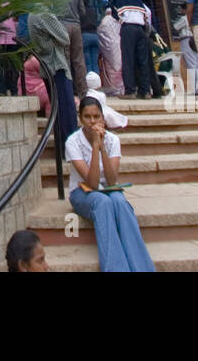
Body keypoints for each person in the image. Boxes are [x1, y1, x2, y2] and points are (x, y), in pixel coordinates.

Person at [64, 97, 155, 272]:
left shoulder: (113, 140)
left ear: (103, 118)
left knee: (120, 202)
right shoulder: (72, 142)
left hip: (108, 188)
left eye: (96, 116)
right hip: (82, 192)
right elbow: (91, 183)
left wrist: (103, 147)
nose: (92, 122)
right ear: (80, 118)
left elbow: (112, 180)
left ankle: (142, 268)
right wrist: (95, 147)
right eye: (87, 117)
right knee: (103, 203)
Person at [28, 11, 76, 147]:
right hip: (56, 66)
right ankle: (70, 149)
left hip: (46, 67)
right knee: (66, 110)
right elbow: (65, 38)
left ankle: (63, 146)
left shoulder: (31, 14)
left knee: (59, 110)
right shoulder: (45, 14)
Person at [116, 0, 159, 99]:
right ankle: (145, 91)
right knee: (143, 61)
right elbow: (146, 16)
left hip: (128, 28)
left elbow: (117, 14)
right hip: (141, 30)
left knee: (128, 59)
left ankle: (130, 91)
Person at [54, 0, 90, 98]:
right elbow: (82, 12)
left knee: (64, 59)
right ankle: (83, 91)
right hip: (76, 26)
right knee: (79, 60)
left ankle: (67, 90)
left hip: (61, 25)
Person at [169, 3, 198, 96]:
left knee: (191, 64)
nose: (181, 11)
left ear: (185, 9)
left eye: (182, 9)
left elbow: (175, 27)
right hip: (196, 40)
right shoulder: (196, 17)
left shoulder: (184, 18)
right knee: (197, 63)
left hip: (187, 40)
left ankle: (196, 89)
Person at [96, 6, 124, 95]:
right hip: (118, 46)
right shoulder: (116, 21)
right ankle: (121, 88)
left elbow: (101, 33)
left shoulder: (103, 22)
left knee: (111, 69)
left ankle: (114, 88)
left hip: (109, 48)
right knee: (119, 68)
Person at [81, 6, 101, 76]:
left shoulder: (81, 12)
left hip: (85, 35)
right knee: (95, 62)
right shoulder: (94, 10)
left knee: (88, 63)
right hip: (95, 35)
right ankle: (97, 81)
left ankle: (90, 82)